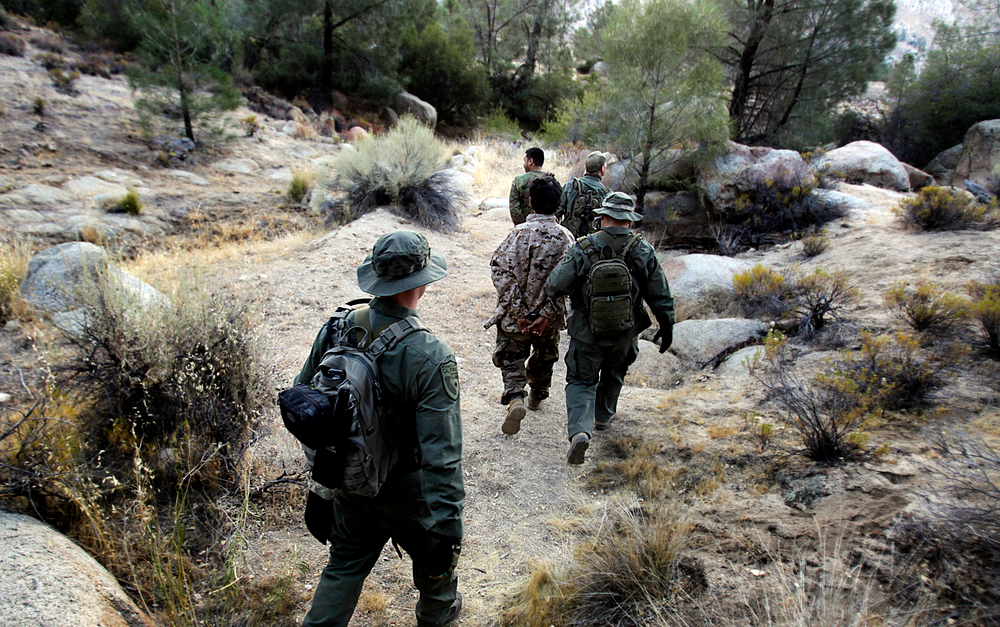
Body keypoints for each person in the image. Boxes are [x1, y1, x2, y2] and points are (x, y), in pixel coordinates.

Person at [296, 230, 464, 627]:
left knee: (343, 569)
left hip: (351, 478)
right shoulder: (431, 355)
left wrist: (325, 480)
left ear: (376, 277)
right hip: (409, 491)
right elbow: (443, 458)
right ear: (421, 281)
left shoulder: (338, 327)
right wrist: (448, 530)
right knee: (435, 575)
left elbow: (306, 401)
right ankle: (438, 615)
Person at [545, 192, 675, 465]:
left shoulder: (584, 247)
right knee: (615, 372)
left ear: (602, 217)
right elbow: (660, 295)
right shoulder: (643, 250)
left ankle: (580, 431)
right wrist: (667, 324)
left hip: (587, 332)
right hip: (625, 333)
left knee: (581, 380)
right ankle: (603, 417)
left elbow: (555, 284)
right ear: (629, 220)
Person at [485, 175, 575, 435]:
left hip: (516, 319)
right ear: (558, 204)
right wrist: (546, 315)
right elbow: (570, 281)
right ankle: (537, 395)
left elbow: (500, 272)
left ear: (530, 201)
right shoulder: (566, 239)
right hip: (550, 320)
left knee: (511, 355)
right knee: (545, 354)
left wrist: (520, 313)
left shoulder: (516, 234)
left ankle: (515, 398)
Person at [558, 151, 610, 238]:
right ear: (602, 169)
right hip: (593, 243)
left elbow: (557, 212)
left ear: (586, 169)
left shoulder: (570, 186)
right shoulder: (607, 194)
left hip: (569, 239)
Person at [508, 147, 554, 225]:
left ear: (530, 161)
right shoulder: (552, 181)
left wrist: (523, 226)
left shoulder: (519, 181)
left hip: (524, 230)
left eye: (524, 160)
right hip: (548, 230)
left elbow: (514, 208)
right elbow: (558, 207)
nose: (523, 164)